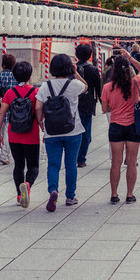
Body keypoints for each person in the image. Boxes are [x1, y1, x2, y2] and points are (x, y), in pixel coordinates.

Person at [35, 54, 87, 211]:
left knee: (53, 164)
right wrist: (75, 72)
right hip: (73, 130)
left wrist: (41, 124)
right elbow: (86, 86)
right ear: (68, 68)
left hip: (52, 131)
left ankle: (53, 190)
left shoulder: (45, 86)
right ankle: (70, 196)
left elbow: (38, 107)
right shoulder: (74, 84)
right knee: (71, 164)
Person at [99, 47, 140, 204]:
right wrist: (131, 58)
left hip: (116, 126)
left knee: (116, 162)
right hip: (134, 126)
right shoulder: (135, 82)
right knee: (131, 162)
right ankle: (130, 194)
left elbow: (105, 109)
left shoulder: (107, 87)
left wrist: (114, 104)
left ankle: (113, 194)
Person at [0, 61, 39, 208]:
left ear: (14, 76)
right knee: (33, 166)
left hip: (14, 134)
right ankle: (28, 184)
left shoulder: (9, 93)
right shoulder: (35, 92)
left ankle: (19, 195)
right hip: (31, 134)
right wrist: (43, 128)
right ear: (30, 75)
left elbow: (2, 113)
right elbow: (39, 113)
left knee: (18, 165)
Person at [74, 44, 102, 168]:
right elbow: (98, 88)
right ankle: (81, 158)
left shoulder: (72, 69)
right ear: (90, 55)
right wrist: (103, 103)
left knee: (74, 130)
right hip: (88, 102)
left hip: (73, 102)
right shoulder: (93, 70)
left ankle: (74, 155)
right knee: (86, 131)